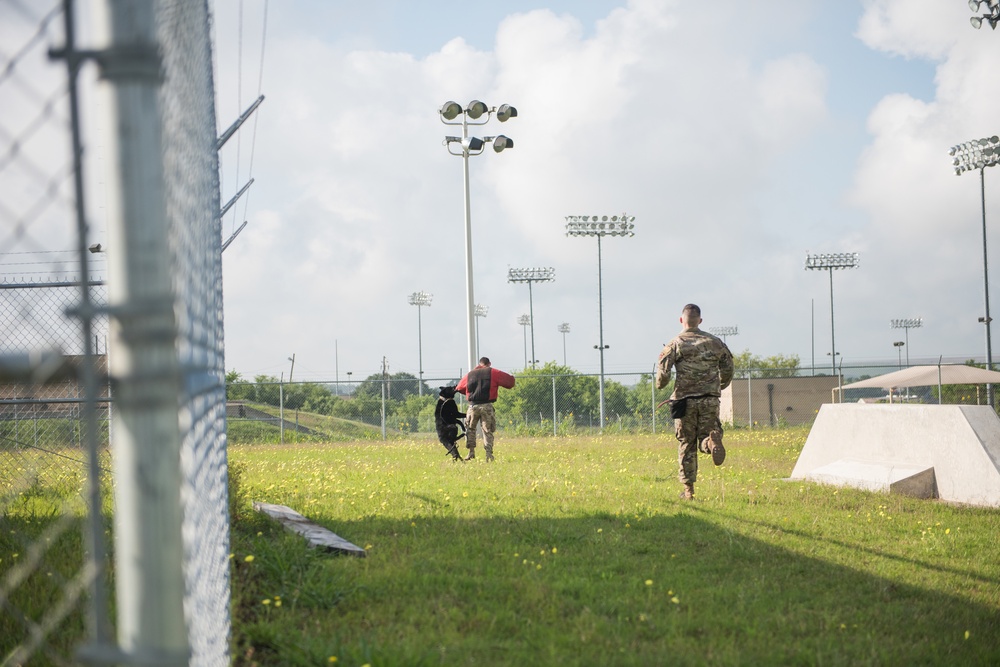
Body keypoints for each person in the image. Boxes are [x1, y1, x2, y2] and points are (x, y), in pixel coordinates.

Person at [655, 304, 734, 500]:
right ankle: (710, 442)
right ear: (700, 320)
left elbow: (663, 375)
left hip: (684, 401)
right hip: (710, 399)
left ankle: (688, 491)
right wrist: (719, 386)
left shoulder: (675, 343)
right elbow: (729, 368)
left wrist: (660, 385)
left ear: (681, 320)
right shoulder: (715, 342)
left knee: (686, 444)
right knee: (704, 437)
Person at [455, 356, 516, 462]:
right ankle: (488, 455)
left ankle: (471, 453)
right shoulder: (493, 372)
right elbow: (510, 382)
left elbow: (459, 387)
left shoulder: (470, 374)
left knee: (470, 429)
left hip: (473, 406)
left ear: (479, 364)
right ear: (489, 364)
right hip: (487, 406)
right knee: (487, 430)